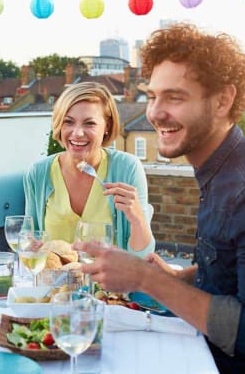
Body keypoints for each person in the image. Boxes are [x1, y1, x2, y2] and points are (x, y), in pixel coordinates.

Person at [75, 23, 245, 373]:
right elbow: (234, 269)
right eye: (152, 96)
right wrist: (179, 279)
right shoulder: (222, 170)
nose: (155, 113)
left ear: (223, 100)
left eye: (174, 97)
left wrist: (147, 280)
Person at [24, 81, 154, 256]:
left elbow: (143, 257)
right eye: (68, 122)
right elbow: (28, 235)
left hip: (109, 283)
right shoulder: (39, 173)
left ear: (106, 126)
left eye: (89, 123)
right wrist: (29, 246)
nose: (77, 133)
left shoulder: (127, 168)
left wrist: (137, 218)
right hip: (54, 282)